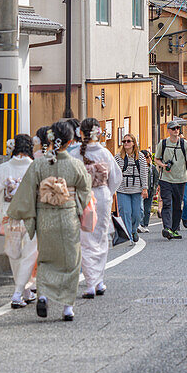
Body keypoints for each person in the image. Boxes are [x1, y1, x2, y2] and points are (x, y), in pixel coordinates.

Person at [7, 119, 92, 322]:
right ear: (70, 140)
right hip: (68, 215)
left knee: (45, 258)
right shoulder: (75, 164)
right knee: (71, 261)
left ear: (51, 139)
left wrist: (29, 213)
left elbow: (27, 190)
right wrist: (76, 205)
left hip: (45, 216)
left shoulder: (39, 164)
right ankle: (67, 308)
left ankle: (43, 295)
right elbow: (85, 190)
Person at [0, 133, 38, 309]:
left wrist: (3, 203)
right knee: (29, 255)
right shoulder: (35, 167)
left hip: (10, 217)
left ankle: (23, 291)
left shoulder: (4, 168)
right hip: (30, 217)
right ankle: (20, 291)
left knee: (14, 254)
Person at [77, 118, 122, 298]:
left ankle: (90, 282)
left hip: (83, 197)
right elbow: (116, 178)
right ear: (98, 132)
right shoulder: (105, 153)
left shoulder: (75, 153)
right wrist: (107, 192)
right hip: (102, 197)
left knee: (85, 238)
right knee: (101, 238)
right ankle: (99, 281)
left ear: (81, 133)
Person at [154, 119, 187, 240]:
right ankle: (167, 228)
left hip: (181, 179)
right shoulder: (163, 143)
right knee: (167, 203)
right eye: (173, 129)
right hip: (165, 179)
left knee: (177, 205)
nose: (176, 130)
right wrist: (163, 165)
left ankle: (175, 229)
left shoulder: (184, 144)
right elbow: (156, 159)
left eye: (178, 128)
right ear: (168, 130)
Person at [114, 133, 149, 243]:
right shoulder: (118, 157)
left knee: (137, 214)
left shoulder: (141, 157)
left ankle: (134, 230)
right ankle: (128, 236)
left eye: (128, 141)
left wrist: (145, 188)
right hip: (122, 190)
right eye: (124, 141)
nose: (126, 143)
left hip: (136, 189)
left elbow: (144, 173)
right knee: (125, 212)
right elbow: (114, 173)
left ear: (133, 143)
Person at [139, 148, 158, 233]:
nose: (149, 158)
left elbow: (156, 178)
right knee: (140, 208)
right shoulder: (139, 167)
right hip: (141, 190)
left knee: (147, 209)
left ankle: (145, 225)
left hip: (150, 190)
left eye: (150, 156)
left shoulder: (152, 167)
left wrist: (155, 188)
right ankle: (139, 224)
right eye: (147, 157)